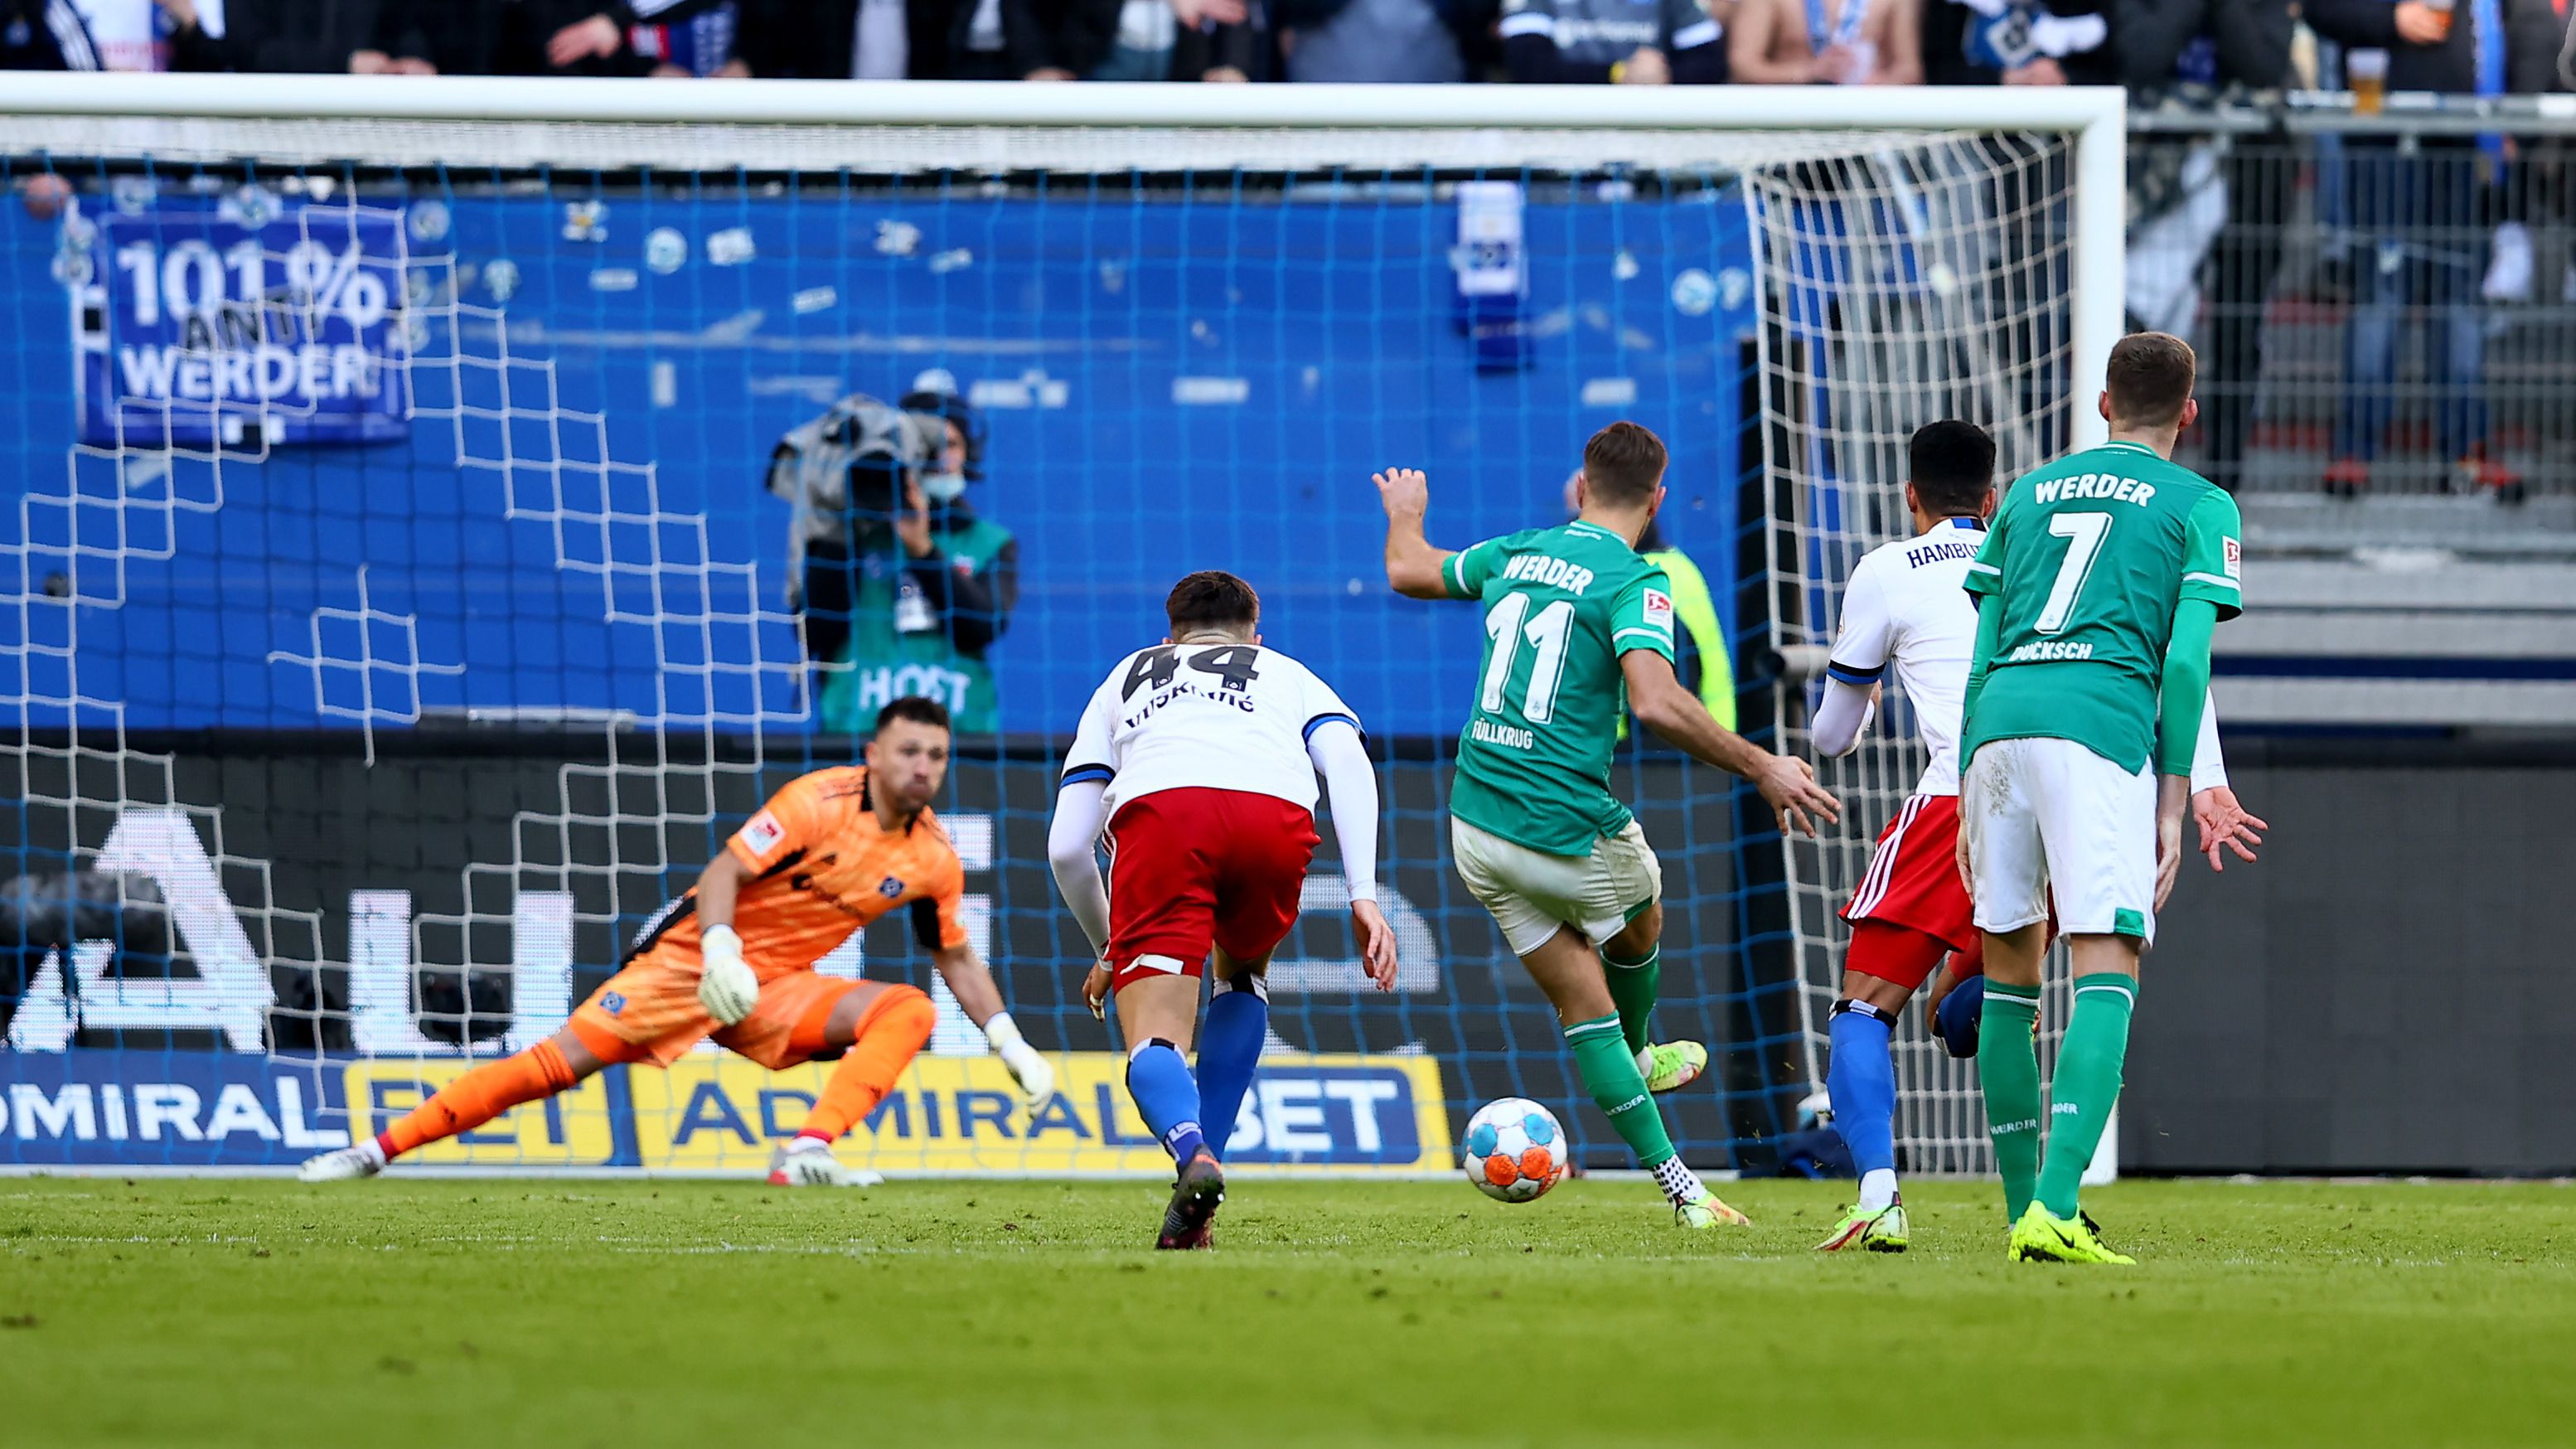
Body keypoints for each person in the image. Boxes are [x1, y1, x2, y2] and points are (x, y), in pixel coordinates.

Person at [1806, 419, 2262, 1253]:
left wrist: (1862, 701)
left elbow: (1833, 735)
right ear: (1990, 499)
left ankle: (1879, 1193)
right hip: (2081, 775)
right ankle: (2027, 1156)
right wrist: (2203, 781)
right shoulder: (2037, 543)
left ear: (1909, 495)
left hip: (1967, 786)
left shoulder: (1888, 569)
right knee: (2040, 984)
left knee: (1863, 1008)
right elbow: (2168, 656)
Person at [1375, 422, 1841, 1231]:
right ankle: (1643, 1053)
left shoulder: (1519, 550)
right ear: (1658, 500)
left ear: (1582, 487)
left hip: (1475, 825)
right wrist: (1763, 765)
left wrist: (1406, 513)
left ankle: (1686, 1192)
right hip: (1561, 822)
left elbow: (1408, 569)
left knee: (1583, 1008)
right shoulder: (1636, 579)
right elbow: (1655, 701)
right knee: (1644, 909)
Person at [298, 697, 1058, 1188]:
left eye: (936, 755)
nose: (923, 767)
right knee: (553, 1066)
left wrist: (1009, 1042)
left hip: (773, 991)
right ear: (874, 753)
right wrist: (721, 950)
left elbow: (953, 954)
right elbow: (726, 870)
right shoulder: (817, 802)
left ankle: (806, 1150)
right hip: (693, 963)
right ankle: (374, 1152)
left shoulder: (932, 858)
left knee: (907, 1010)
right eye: (909, 751)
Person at [1951, 332, 2242, 1264]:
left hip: (2000, 722)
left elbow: (1982, 646)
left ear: (2104, 401)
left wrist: (1964, 778)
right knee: (2108, 961)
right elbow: (2185, 664)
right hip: (2099, 729)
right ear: (2188, 413)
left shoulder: (2028, 492)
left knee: (2008, 976)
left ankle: (2021, 1214)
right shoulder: (2200, 503)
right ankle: (2057, 1207)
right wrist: (2174, 798)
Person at [1047, 572, 1396, 1249]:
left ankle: (1192, 1153)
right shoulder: (1287, 672)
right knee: (1241, 975)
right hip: (1274, 818)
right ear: (1254, 638)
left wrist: (1110, 949)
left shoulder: (1127, 677)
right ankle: (1202, 1190)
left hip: (1166, 817)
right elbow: (1349, 761)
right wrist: (1364, 893)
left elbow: (1066, 847)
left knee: (1154, 1040)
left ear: (1168, 639)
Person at [2305, 0, 2520, 495]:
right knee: (2380, 301)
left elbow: (2518, 23)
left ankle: (2467, 454)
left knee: (2458, 304)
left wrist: (2516, 103)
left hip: (2459, 147)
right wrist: (2391, 19)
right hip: (2383, 145)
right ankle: (2354, 452)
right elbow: (2319, 10)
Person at [770, 383, 1018, 737]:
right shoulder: (849, 533)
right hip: (857, 733)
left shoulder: (989, 541)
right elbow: (814, 633)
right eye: (925, 446)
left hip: (958, 737)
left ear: (969, 454)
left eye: (949, 445)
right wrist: (843, 521)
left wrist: (924, 551)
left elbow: (982, 627)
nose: (937, 458)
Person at [1562, 470, 1735, 734]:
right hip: (1710, 742)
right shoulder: (1678, 566)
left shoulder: (1629, 579)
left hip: (1669, 747)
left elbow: (1661, 703)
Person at [1497, 0, 1728, 82]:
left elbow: (1711, 64)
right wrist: (1619, 73)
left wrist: (1665, 75)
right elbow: (1530, 67)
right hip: (1557, 137)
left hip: (1649, 133)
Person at [1729, 0, 1921, 85]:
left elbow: (1909, 69)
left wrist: (1880, 83)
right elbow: (1742, 66)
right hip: (1791, 118)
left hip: (1867, 121)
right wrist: (1809, 72)